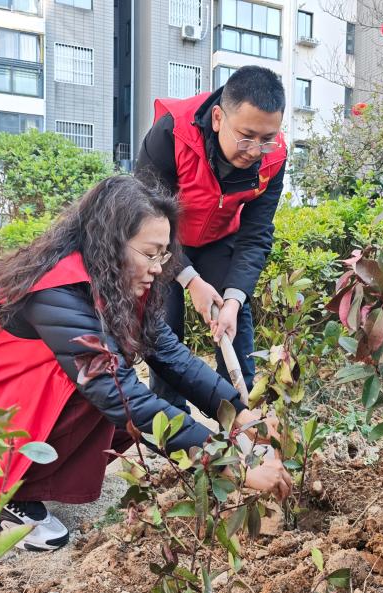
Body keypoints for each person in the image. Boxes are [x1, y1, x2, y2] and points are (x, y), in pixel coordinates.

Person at [0, 177, 291, 551]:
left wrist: (242, 416)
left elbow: (170, 354)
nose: (158, 267)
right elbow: (119, 393)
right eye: (150, 253)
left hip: (14, 389)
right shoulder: (58, 290)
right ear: (110, 240)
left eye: (165, 255)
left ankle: (25, 480)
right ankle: (10, 500)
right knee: (99, 392)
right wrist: (231, 463)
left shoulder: (117, 282)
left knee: (98, 386)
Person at [135, 65, 287, 407]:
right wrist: (190, 280)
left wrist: (232, 298)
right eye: (246, 136)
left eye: (267, 139)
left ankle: (237, 417)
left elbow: (256, 234)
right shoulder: (170, 134)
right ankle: (173, 428)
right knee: (163, 330)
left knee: (236, 321)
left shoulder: (273, 159)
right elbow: (145, 220)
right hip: (164, 242)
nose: (254, 151)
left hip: (219, 241)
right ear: (218, 118)